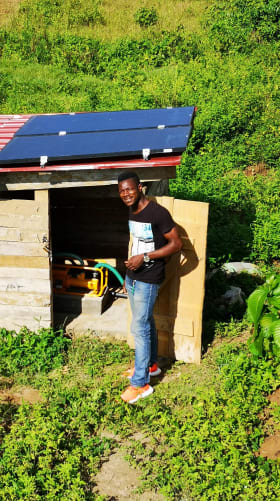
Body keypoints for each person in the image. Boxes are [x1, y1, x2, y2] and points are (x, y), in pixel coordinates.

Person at [118, 171, 182, 404]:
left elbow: (176, 244)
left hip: (149, 277)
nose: (126, 194)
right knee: (146, 321)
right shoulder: (132, 211)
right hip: (134, 276)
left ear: (141, 187)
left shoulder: (158, 213)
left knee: (140, 327)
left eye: (130, 189)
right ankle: (151, 365)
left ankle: (140, 384)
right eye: (122, 191)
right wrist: (128, 275)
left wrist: (145, 258)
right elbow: (135, 243)